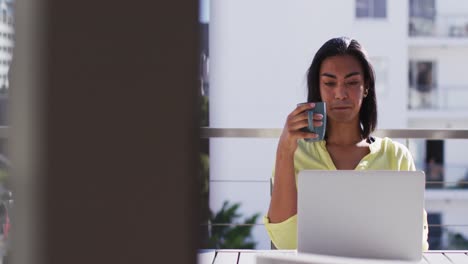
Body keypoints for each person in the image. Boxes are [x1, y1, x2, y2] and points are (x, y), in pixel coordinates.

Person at [263, 37, 429, 251]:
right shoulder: (295, 154)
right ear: (318, 88)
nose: (340, 94)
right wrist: (284, 149)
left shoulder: (396, 155)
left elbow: (417, 243)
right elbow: (285, 241)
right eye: (329, 83)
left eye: (351, 82)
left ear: (366, 86)